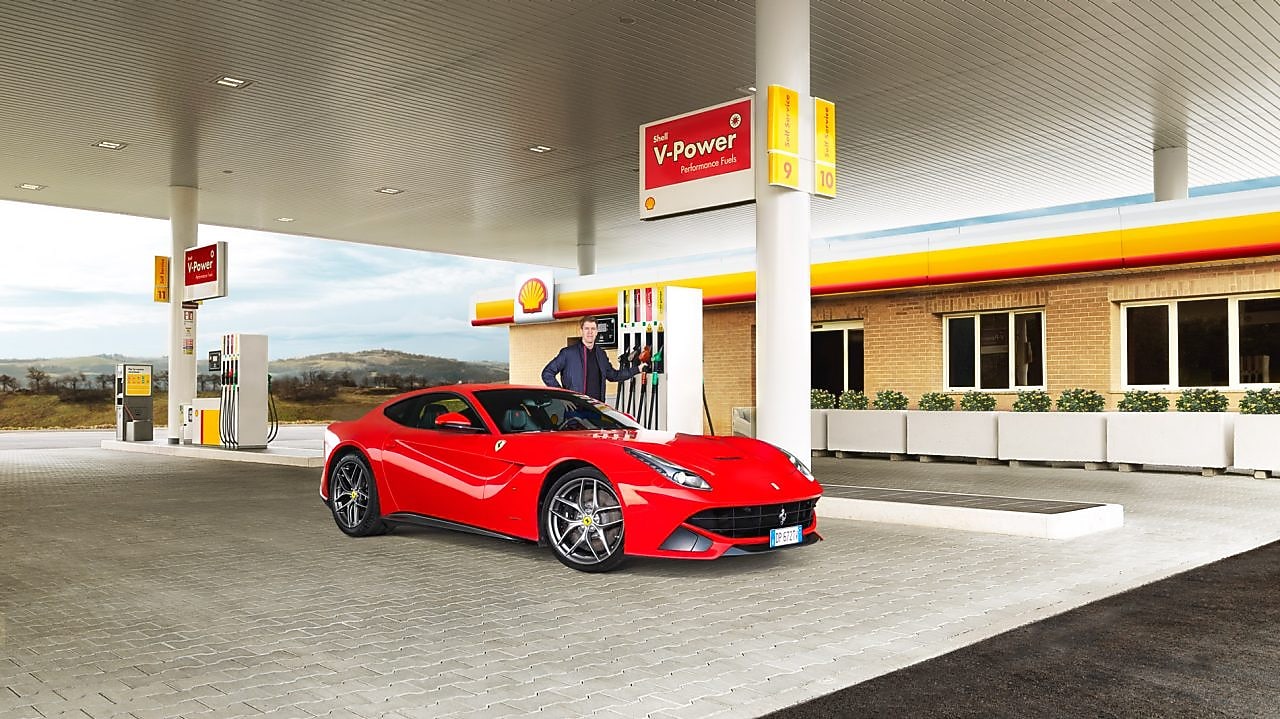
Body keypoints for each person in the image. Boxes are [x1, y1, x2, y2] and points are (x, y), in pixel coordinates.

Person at [541, 317, 642, 403]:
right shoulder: (568, 353)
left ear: (597, 332)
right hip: (575, 409)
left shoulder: (601, 354)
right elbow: (547, 373)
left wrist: (638, 369)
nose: (590, 332)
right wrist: (563, 397)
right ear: (581, 331)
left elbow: (614, 375)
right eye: (586, 328)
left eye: (593, 328)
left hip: (597, 408)